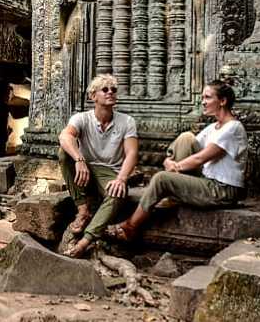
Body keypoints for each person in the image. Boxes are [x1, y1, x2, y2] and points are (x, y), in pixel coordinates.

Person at [106, 80, 248, 241]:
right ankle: (172, 193)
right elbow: (187, 149)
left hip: (223, 190)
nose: (203, 102)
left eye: (208, 97)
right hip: (208, 181)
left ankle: (130, 226)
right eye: (202, 97)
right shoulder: (213, 128)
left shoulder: (233, 128)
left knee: (161, 178)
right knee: (186, 137)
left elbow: (200, 158)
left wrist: (175, 168)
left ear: (222, 101)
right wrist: (168, 161)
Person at [58, 74, 139, 257]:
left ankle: (86, 240)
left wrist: (121, 179)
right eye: (105, 89)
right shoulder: (81, 118)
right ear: (93, 96)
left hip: (110, 171)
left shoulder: (127, 121)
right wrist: (79, 160)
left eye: (113, 90)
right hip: (85, 169)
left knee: (119, 192)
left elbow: (132, 153)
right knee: (64, 153)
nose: (110, 92)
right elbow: (64, 136)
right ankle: (83, 210)